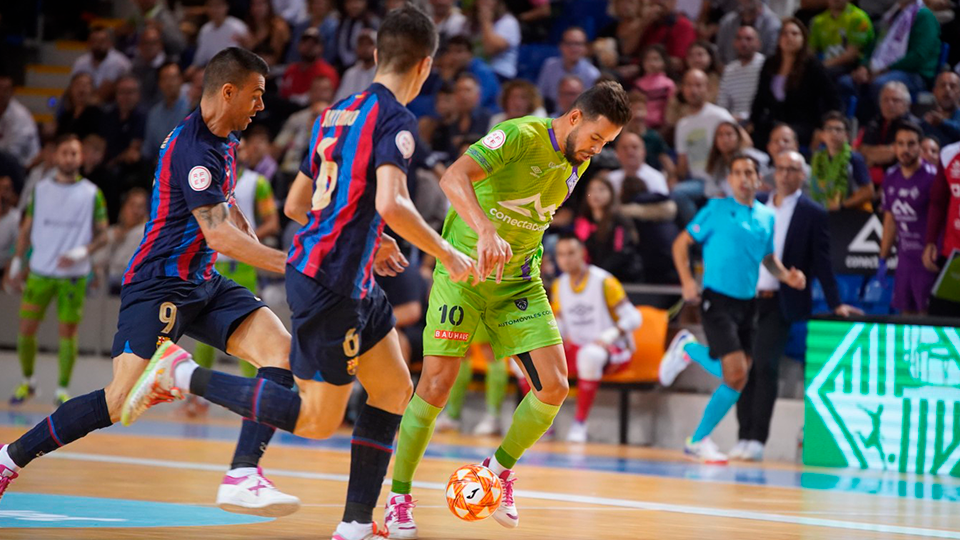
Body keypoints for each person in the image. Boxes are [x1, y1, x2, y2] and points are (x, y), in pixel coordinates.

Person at [121, 11, 475, 540]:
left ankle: (356, 524)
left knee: (394, 388)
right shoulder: (396, 120)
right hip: (331, 281)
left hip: (347, 275)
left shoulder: (337, 113)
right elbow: (393, 201)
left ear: (377, 55)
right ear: (425, 66)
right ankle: (179, 376)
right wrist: (447, 253)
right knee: (316, 421)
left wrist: (368, 234)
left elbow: (295, 203)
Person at [0, 48, 301, 516]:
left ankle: (244, 474)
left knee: (281, 352)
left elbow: (219, 209)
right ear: (228, 91)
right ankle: (8, 460)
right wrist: (294, 262)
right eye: (256, 95)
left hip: (203, 282)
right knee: (119, 401)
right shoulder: (195, 148)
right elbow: (215, 234)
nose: (262, 106)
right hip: (159, 284)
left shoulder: (223, 136)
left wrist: (241, 217)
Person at [382, 81, 630, 537]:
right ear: (574, 118)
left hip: (517, 281)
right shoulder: (520, 135)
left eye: (607, 143)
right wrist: (483, 229)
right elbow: (452, 177)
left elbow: (530, 219)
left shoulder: (576, 165)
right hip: (464, 274)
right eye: (596, 138)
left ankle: (496, 471)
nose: (598, 149)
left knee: (554, 386)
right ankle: (398, 497)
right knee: (436, 386)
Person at [660, 152, 806, 463]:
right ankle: (689, 356)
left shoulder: (767, 217)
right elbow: (680, 244)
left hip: (748, 303)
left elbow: (768, 259)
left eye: (748, 172)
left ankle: (697, 437)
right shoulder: (716, 209)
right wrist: (687, 280)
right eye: (737, 172)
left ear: (758, 179)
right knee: (737, 371)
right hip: (718, 300)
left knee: (739, 378)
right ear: (730, 180)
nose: (743, 178)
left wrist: (787, 276)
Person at [731, 150, 860, 461]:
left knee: (765, 365)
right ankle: (742, 436)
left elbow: (823, 261)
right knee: (742, 368)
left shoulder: (812, 213)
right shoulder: (756, 206)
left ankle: (758, 439)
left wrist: (835, 303)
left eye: (793, 169)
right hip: (747, 298)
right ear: (774, 172)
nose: (786, 174)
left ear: (804, 175)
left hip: (780, 301)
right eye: (782, 168)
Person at [4, 134, 108, 407]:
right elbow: (26, 228)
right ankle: (29, 382)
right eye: (65, 152)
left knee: (68, 333)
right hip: (39, 271)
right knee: (25, 330)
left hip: (72, 277)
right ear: (54, 156)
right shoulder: (40, 190)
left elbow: (103, 234)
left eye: (74, 153)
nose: (70, 158)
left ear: (81, 157)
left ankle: (62, 388)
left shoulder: (92, 193)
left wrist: (84, 251)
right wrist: (17, 263)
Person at [191, 136, 281, 400]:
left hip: (241, 263)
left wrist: (245, 239)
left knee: (247, 327)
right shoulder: (208, 178)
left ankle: (252, 394)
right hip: (211, 262)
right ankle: (197, 397)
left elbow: (273, 222)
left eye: (239, 148)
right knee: (203, 335)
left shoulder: (258, 182)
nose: (235, 152)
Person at [552, 233, 642, 443]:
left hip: (614, 350)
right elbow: (562, 321)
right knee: (524, 360)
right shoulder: (559, 284)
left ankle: (579, 424)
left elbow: (634, 317)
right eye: (561, 254)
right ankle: (544, 427)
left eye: (571, 253)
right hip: (578, 347)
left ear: (583, 253)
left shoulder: (604, 281)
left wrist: (609, 336)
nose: (566, 259)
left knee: (589, 355)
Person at [839, 0, 940, 121]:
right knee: (846, 82)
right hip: (879, 70)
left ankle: (882, 128)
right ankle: (854, 128)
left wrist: (885, 70)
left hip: (913, 74)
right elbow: (872, 47)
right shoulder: (891, 15)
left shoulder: (925, 16)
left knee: (881, 85)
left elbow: (918, 56)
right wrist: (864, 67)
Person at [750, 18, 840, 151]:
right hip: (774, 121)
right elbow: (759, 98)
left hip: (804, 124)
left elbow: (832, 99)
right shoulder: (769, 64)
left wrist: (821, 128)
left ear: (803, 38)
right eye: (785, 34)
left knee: (783, 137)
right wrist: (752, 122)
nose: (789, 37)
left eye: (794, 34)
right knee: (751, 136)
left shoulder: (813, 66)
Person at [879, 122, 939, 314]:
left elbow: (942, 219)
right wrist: (882, 258)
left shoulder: (933, 177)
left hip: (928, 258)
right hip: (904, 259)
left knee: (926, 316)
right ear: (894, 147)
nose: (905, 149)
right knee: (905, 315)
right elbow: (890, 220)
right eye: (901, 143)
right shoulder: (890, 177)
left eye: (911, 144)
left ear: (919, 147)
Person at [574, 176, 644, 282]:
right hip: (591, 278)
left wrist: (596, 274)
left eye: (601, 189)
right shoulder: (583, 222)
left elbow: (620, 253)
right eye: (591, 190)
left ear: (611, 193)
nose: (595, 194)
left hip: (620, 279)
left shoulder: (619, 221)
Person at [674, 69, 734, 189]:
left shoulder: (720, 115)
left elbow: (743, 142)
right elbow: (682, 164)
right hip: (697, 181)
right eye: (689, 85)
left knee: (679, 193)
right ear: (683, 89)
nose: (693, 90)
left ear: (707, 88)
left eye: (698, 85)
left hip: (723, 179)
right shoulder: (682, 125)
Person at [858, 81, 921, 183]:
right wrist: (885, 152)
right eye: (885, 100)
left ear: (907, 104)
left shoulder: (913, 125)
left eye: (895, 100)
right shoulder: (874, 123)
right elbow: (862, 152)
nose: (890, 104)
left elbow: (897, 154)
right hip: (870, 182)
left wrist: (873, 154)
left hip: (903, 181)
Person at [811, 111, 874, 210]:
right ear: (822, 135)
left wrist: (842, 205)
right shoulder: (817, 159)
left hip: (851, 215)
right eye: (829, 129)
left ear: (846, 136)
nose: (833, 133)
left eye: (838, 129)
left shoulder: (854, 159)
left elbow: (868, 191)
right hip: (823, 211)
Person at [924, 140, 960, 316]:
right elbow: (938, 202)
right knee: (941, 319)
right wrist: (930, 241)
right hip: (954, 256)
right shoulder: (949, 154)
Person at [537, 27, 600, 113]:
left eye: (578, 44)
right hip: (552, 116)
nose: (573, 48)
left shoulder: (592, 74)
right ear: (561, 46)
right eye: (569, 43)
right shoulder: (549, 65)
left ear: (585, 48)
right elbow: (540, 95)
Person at [808, 0, 875, 79]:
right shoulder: (818, 21)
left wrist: (822, 65)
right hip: (826, 63)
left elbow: (851, 55)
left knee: (822, 74)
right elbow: (811, 51)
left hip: (851, 66)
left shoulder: (858, 17)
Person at [705, 121, 768, 198]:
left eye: (729, 134)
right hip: (728, 202)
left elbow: (765, 164)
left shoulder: (749, 156)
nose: (725, 139)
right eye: (720, 135)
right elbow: (709, 188)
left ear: (738, 137)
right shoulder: (717, 163)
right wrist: (718, 193)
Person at [143, 62, 191, 162]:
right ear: (159, 84)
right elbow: (148, 150)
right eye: (165, 79)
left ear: (181, 80)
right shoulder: (154, 113)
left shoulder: (192, 108)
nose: (170, 83)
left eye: (173, 78)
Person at [280, 27, 340, 105]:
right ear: (299, 45)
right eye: (305, 42)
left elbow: (327, 99)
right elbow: (283, 94)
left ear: (321, 48)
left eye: (314, 44)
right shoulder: (291, 70)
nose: (309, 46)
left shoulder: (327, 72)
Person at [71, 26, 132, 103]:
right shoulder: (80, 62)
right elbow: (74, 87)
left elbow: (104, 93)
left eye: (102, 41)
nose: (97, 44)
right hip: (84, 103)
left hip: (111, 105)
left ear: (110, 43)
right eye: (94, 41)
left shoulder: (119, 62)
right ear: (88, 43)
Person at [717, 26, 764, 123]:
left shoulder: (764, 65)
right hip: (733, 122)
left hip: (758, 120)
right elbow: (722, 104)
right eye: (739, 38)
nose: (743, 43)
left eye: (748, 39)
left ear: (758, 43)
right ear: (734, 43)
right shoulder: (729, 70)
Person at [637, 0, 697, 74]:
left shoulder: (683, 25)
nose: (659, 2)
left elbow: (679, 62)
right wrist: (642, 24)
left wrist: (641, 65)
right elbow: (627, 50)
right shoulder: (647, 23)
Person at [715, 0, 780, 65]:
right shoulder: (727, 22)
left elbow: (771, 58)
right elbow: (719, 55)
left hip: (760, 72)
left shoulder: (773, 24)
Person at [192, 0, 250, 68]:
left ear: (226, 7)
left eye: (218, 6)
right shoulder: (205, 30)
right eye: (211, 6)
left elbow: (250, 51)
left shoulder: (238, 26)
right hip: (211, 69)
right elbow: (200, 58)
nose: (215, 10)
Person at [0, 75, 40, 167]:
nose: (1, 94)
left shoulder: (20, 116)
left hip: (24, 165)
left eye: (5, 90)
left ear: (12, 92)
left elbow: (12, 153)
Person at [634, 45, 675, 131]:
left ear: (664, 62)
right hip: (642, 125)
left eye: (656, 59)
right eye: (648, 59)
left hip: (662, 127)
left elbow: (671, 107)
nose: (652, 63)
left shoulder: (668, 84)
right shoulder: (639, 84)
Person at [56, 73, 104, 139]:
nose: (81, 88)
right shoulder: (66, 116)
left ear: (92, 90)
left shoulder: (98, 115)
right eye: (78, 84)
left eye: (86, 85)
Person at [334, 29, 377, 102]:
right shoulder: (350, 74)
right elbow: (340, 100)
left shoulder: (384, 73)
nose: (365, 48)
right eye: (361, 44)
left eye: (369, 44)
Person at [920, 71, 960, 146]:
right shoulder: (926, 122)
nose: (947, 89)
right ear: (934, 91)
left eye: (952, 86)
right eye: (942, 85)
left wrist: (942, 123)